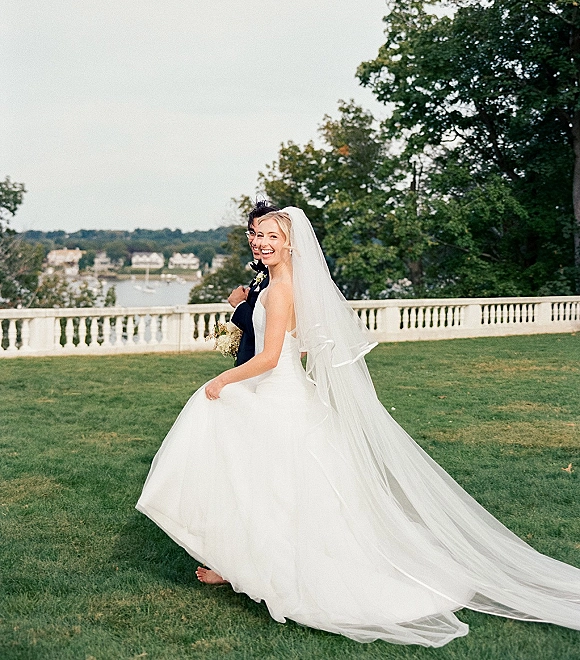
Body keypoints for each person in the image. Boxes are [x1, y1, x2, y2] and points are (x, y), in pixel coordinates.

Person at [136, 208, 580, 647]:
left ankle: (260, 568)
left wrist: (220, 380)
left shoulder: (284, 286)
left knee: (274, 486)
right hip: (274, 393)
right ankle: (235, 563)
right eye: (256, 235)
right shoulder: (273, 284)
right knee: (257, 483)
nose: (261, 242)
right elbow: (298, 345)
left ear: (291, 242)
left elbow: (270, 358)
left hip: (278, 395)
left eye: (271, 235)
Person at [227, 200, 279, 366]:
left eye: (263, 235)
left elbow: (265, 332)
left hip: (260, 371)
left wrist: (240, 305)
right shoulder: (263, 274)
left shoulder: (276, 279)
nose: (256, 241)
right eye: (252, 233)